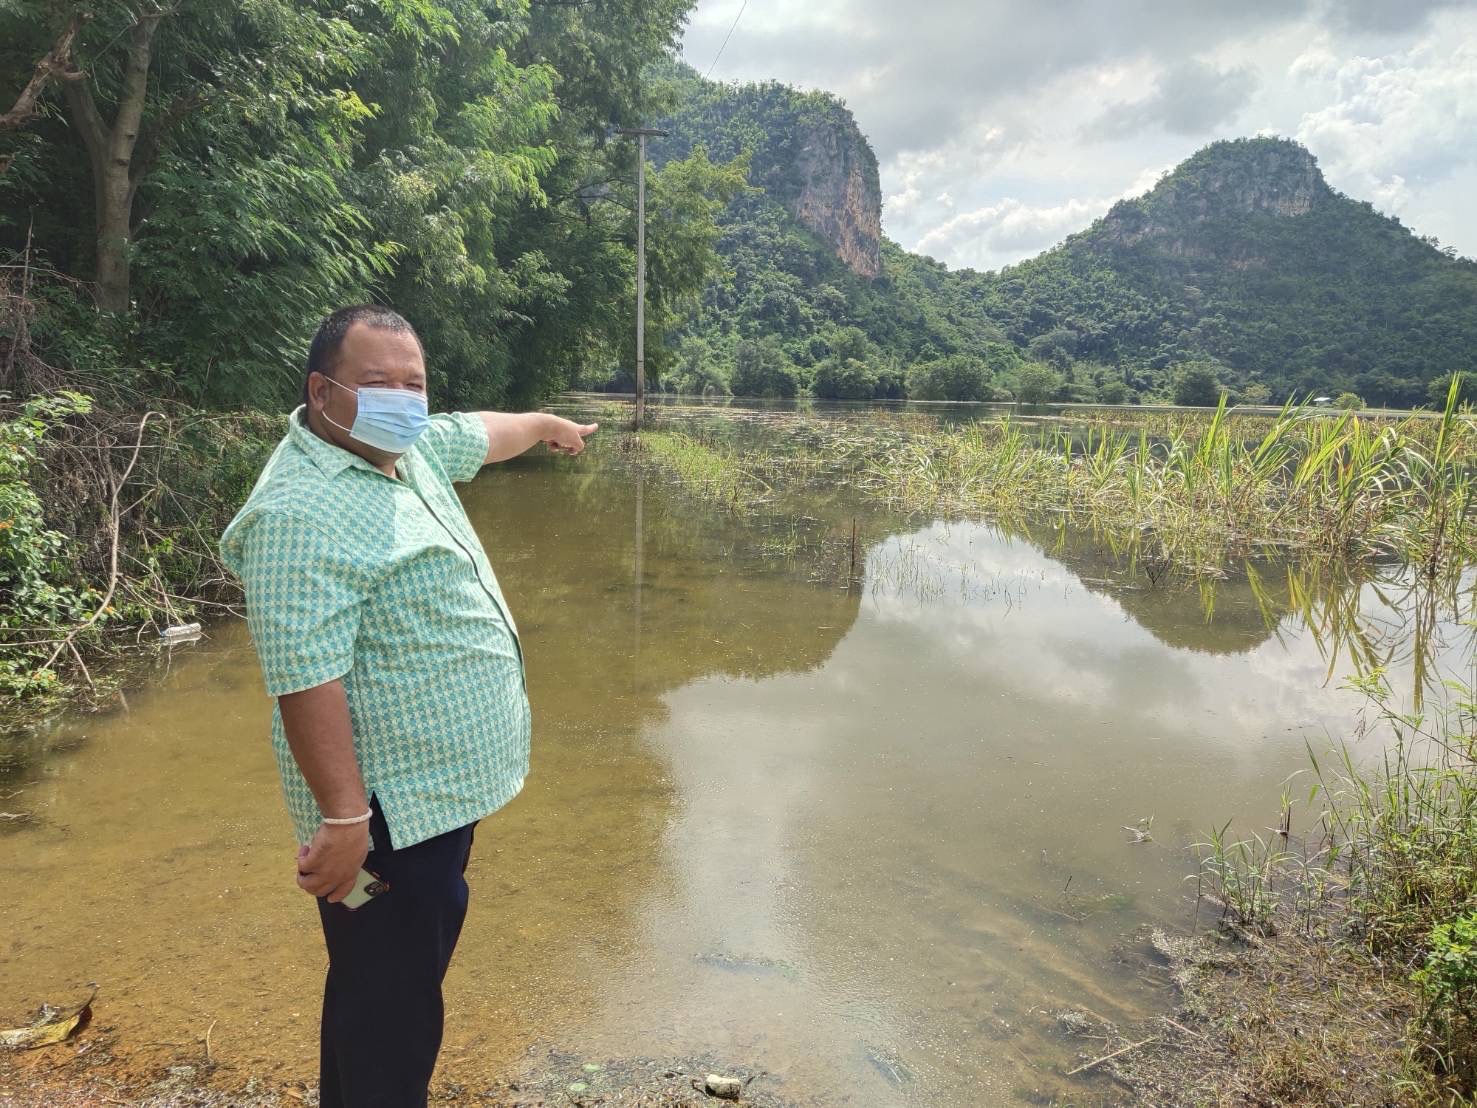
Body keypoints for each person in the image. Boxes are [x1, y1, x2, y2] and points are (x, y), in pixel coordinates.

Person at [220, 304, 597, 1107]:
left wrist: (543, 423)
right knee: (393, 1013)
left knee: (380, 994)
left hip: (436, 798)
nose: (401, 397)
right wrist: (346, 822)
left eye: (412, 383)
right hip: (388, 816)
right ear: (323, 392)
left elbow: (483, 433)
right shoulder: (298, 513)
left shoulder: (405, 449)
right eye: (376, 382)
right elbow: (304, 677)